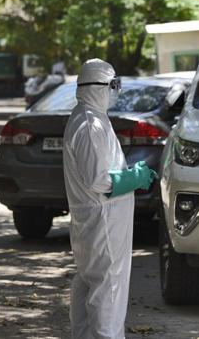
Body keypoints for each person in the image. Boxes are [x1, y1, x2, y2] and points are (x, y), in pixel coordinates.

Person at [62, 59, 157, 339]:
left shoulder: (89, 117)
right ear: (99, 87)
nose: (116, 91)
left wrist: (130, 175)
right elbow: (99, 179)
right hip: (103, 223)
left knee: (90, 286)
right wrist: (134, 178)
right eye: (113, 85)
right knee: (108, 292)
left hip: (96, 222)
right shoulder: (90, 124)